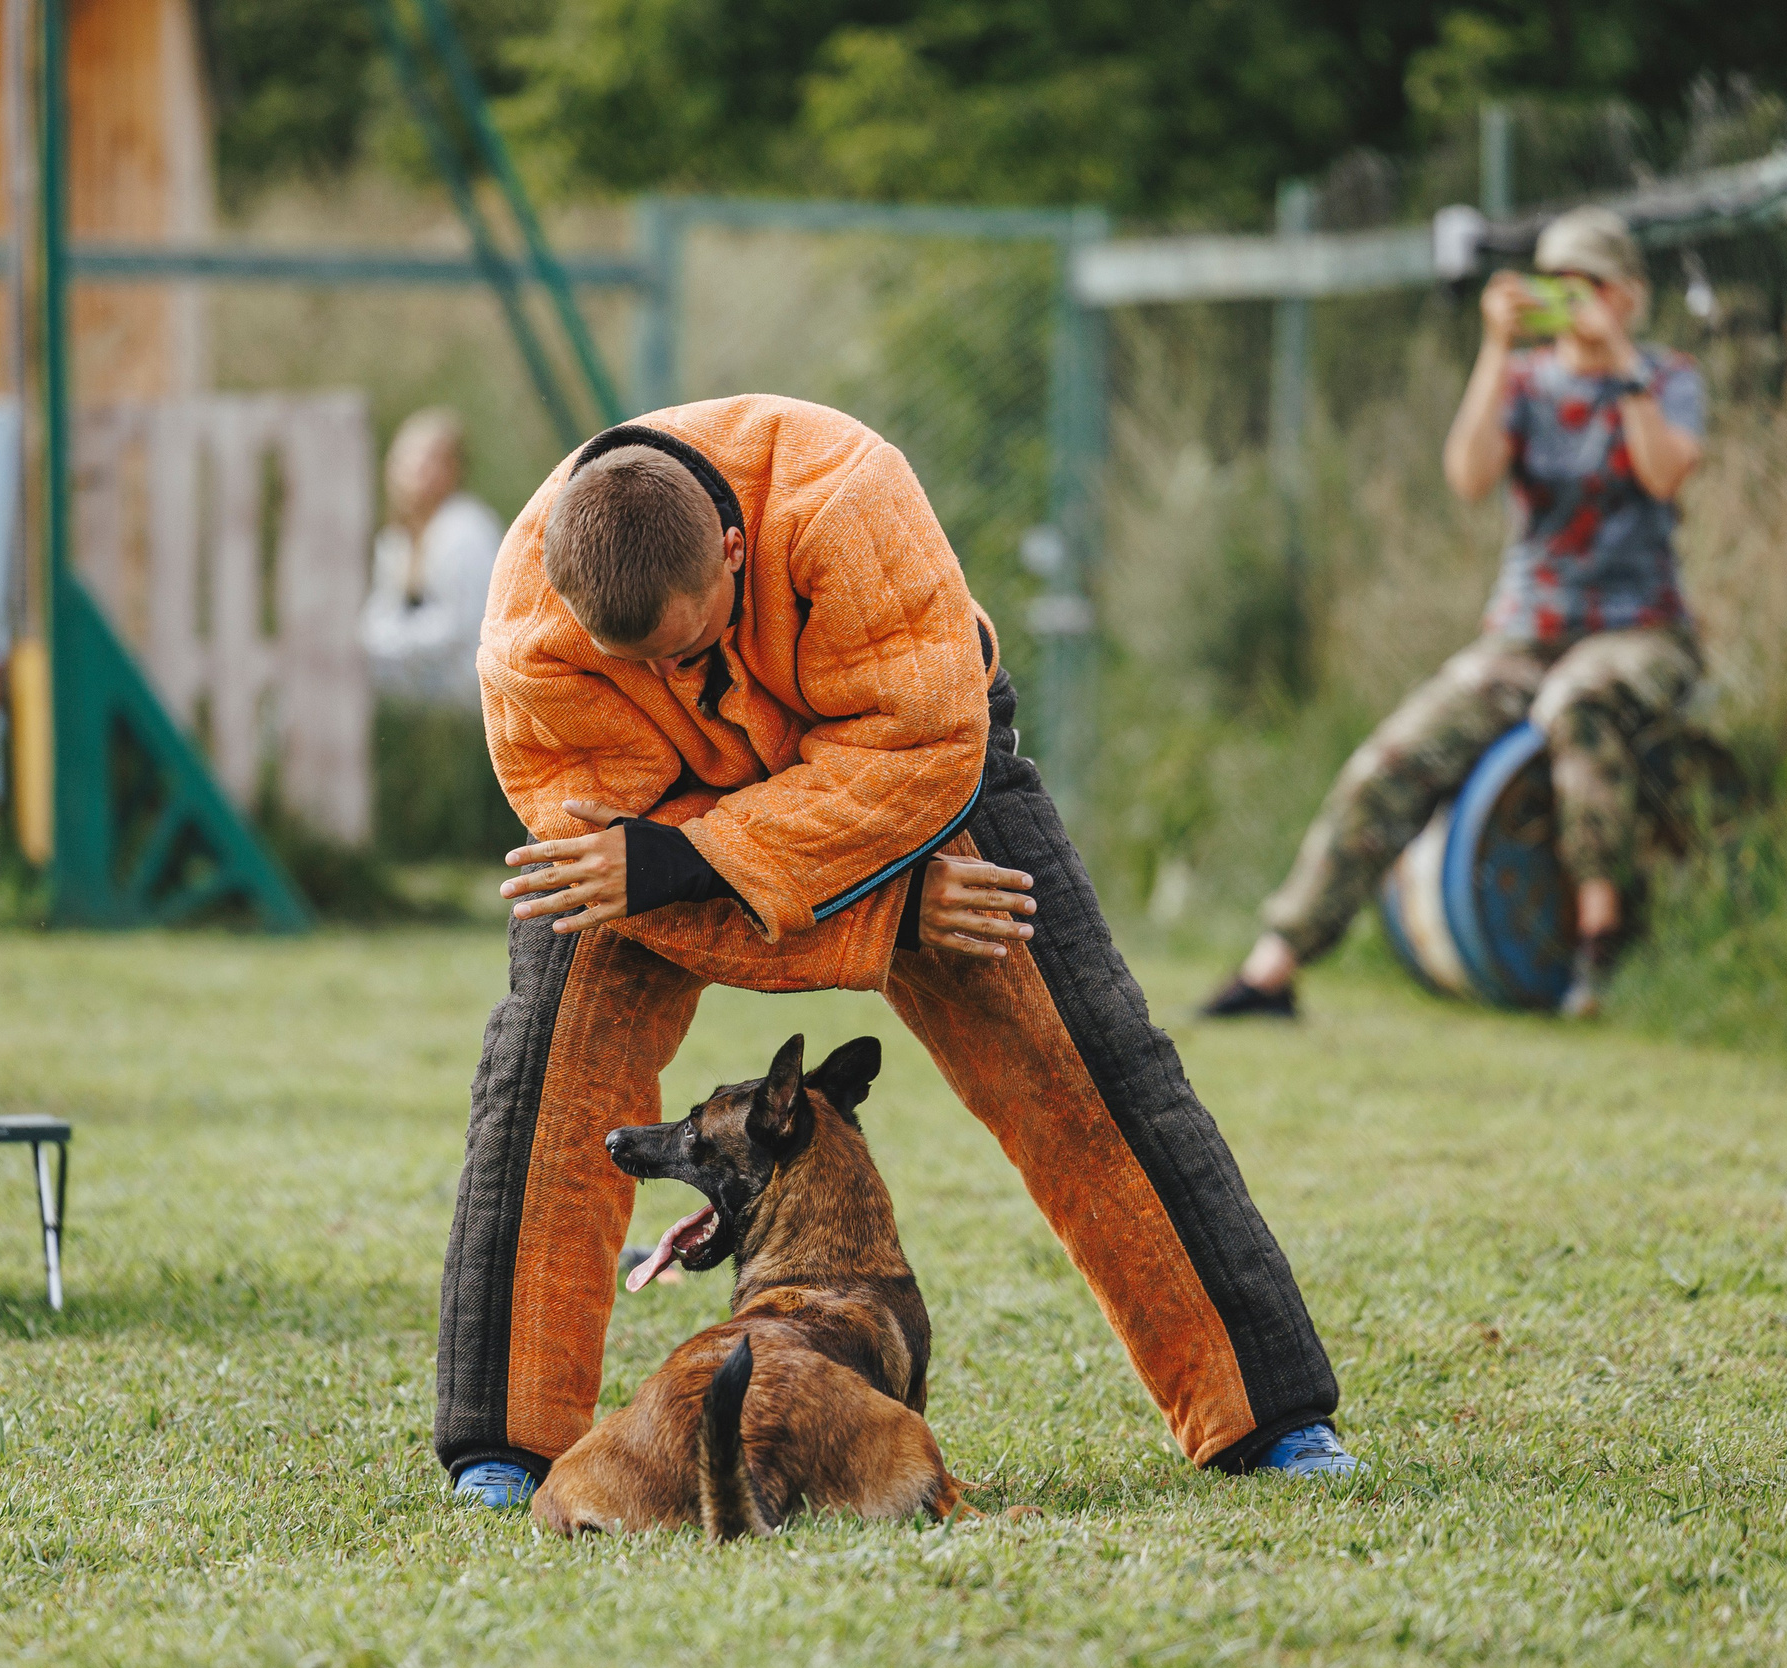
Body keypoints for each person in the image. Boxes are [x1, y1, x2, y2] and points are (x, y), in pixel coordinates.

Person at [439, 395, 1359, 1511]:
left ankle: (1268, 1418)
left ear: (735, 554)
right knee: (543, 1082)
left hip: (915, 788)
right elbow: (617, 875)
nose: (676, 676)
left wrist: (734, 863)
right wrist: (889, 918)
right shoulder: (527, 633)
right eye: (640, 665)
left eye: (691, 646)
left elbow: (917, 752)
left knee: (1089, 1064)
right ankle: (505, 1451)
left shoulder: (847, 497)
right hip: (681, 849)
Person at [1203, 206, 1705, 1023]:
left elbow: (1664, 476)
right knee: (1392, 757)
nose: (1575, 303)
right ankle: (1275, 965)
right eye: (1560, 286)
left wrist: (1621, 369)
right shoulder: (1526, 382)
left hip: (1640, 633)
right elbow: (1469, 475)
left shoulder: (1668, 378)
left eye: (1593, 287)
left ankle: (1596, 944)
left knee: (1577, 701)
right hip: (1525, 633)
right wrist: (1498, 349)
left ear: (1630, 298)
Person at [361, 406, 505, 707]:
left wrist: (381, 645)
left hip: (465, 683)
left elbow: (462, 628)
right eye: (407, 457)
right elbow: (383, 614)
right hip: (420, 676)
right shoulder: (397, 539)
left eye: (430, 458)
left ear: (453, 469)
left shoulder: (466, 529)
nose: (416, 468)